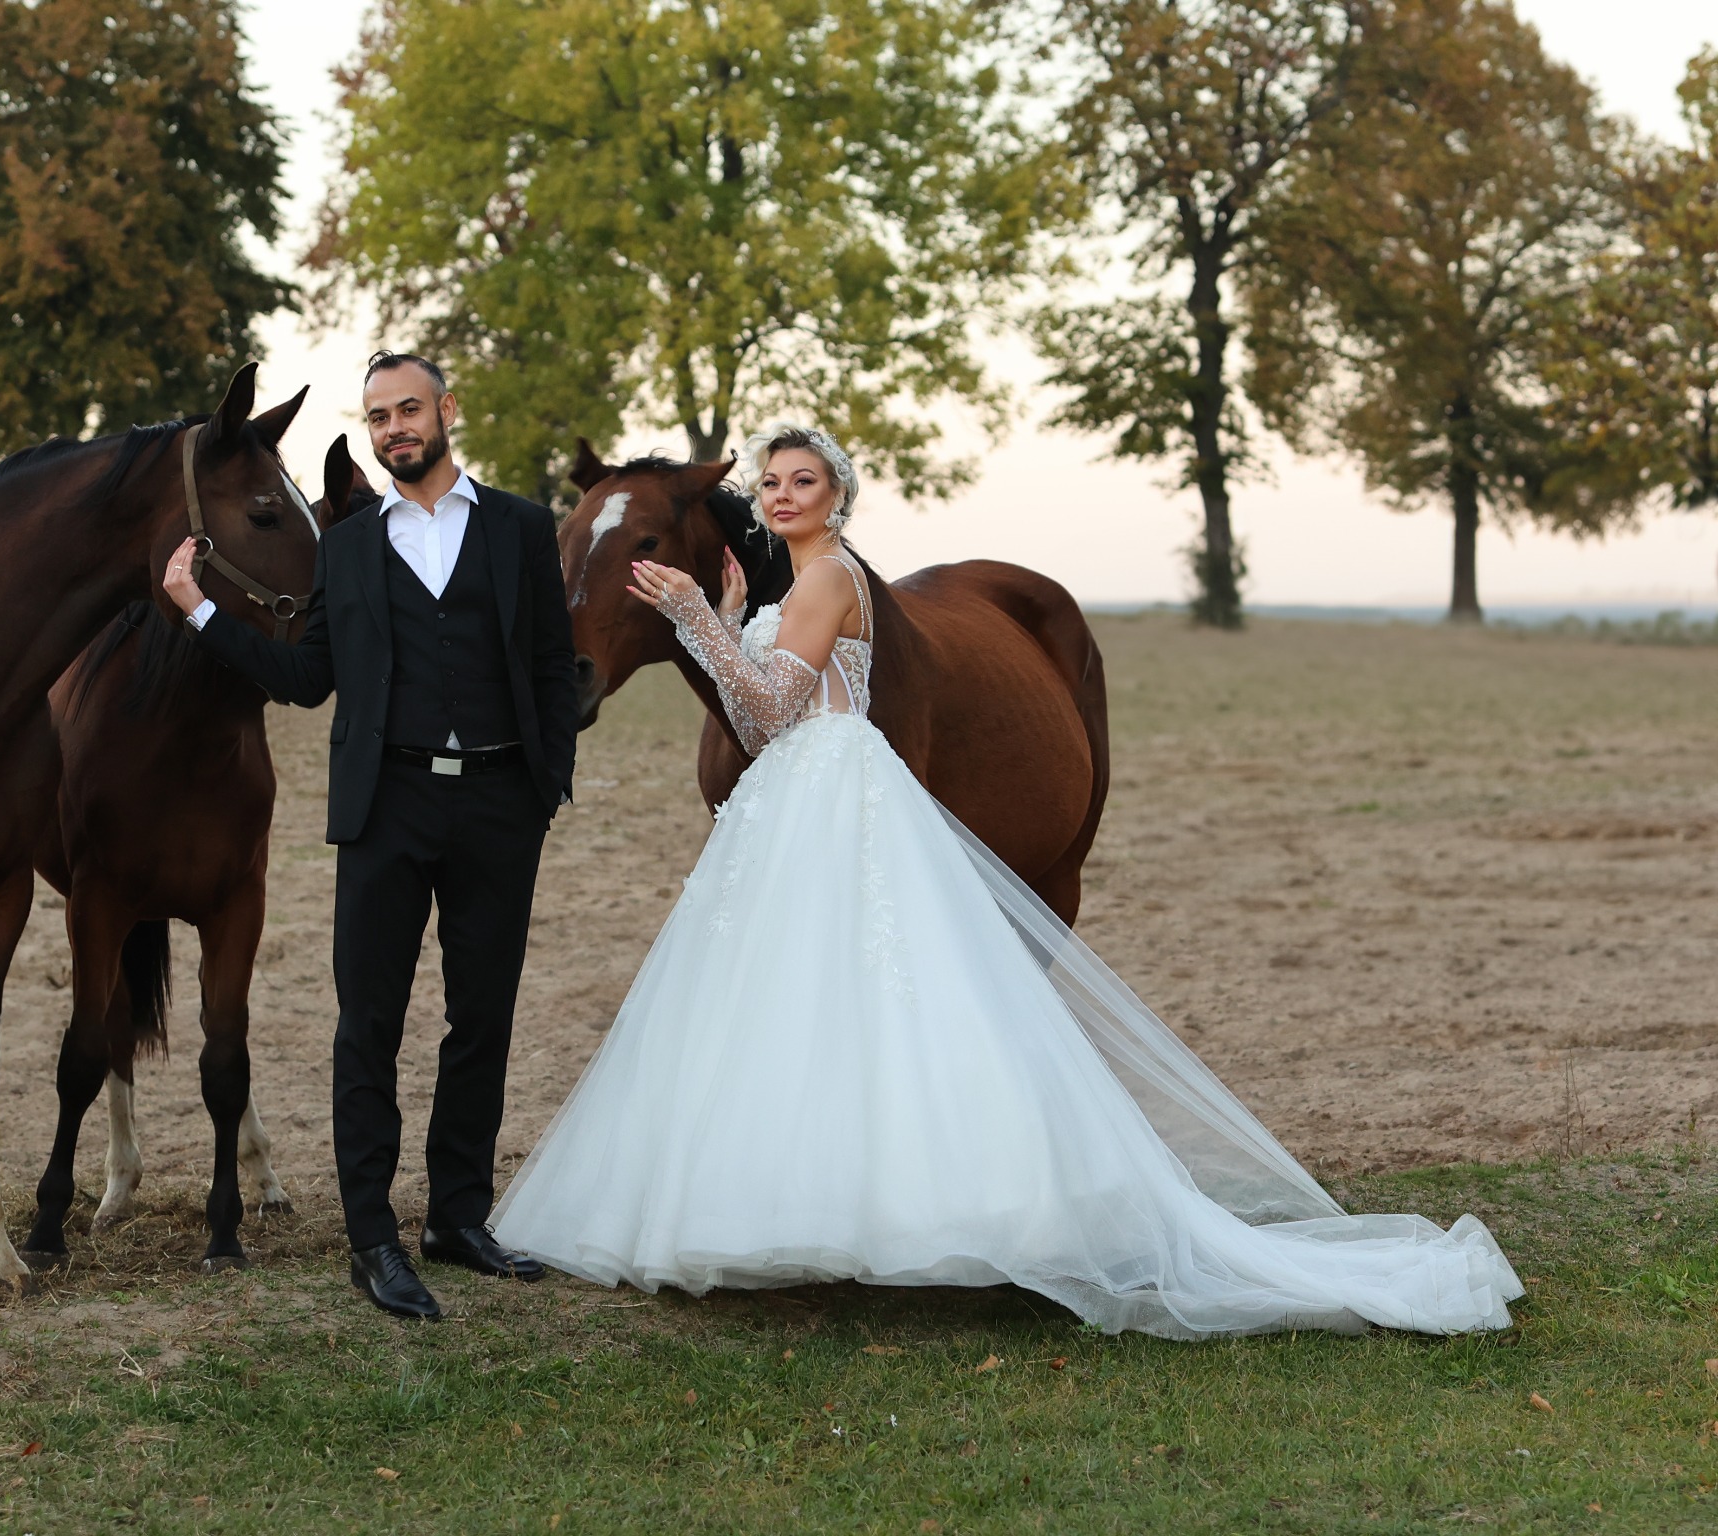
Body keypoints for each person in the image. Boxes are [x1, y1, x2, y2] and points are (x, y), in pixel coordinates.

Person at [491, 423, 1522, 1339]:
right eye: (770, 483)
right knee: (784, 1003)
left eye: (801, 481)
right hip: (802, 804)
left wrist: (694, 621)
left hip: (833, 793)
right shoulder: (795, 584)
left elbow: (764, 713)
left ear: (834, 496)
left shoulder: (830, 579)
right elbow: (756, 702)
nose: (781, 496)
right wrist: (717, 615)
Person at [162, 352, 579, 1319]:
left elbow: (553, 665)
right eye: (379, 416)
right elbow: (307, 678)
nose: (395, 428)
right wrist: (200, 612)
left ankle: (458, 1216)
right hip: (385, 810)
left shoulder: (519, 528)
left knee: (481, 1019)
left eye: (409, 410)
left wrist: (543, 786)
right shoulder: (347, 546)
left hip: (497, 807)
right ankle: (374, 1239)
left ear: (446, 411)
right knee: (371, 1028)